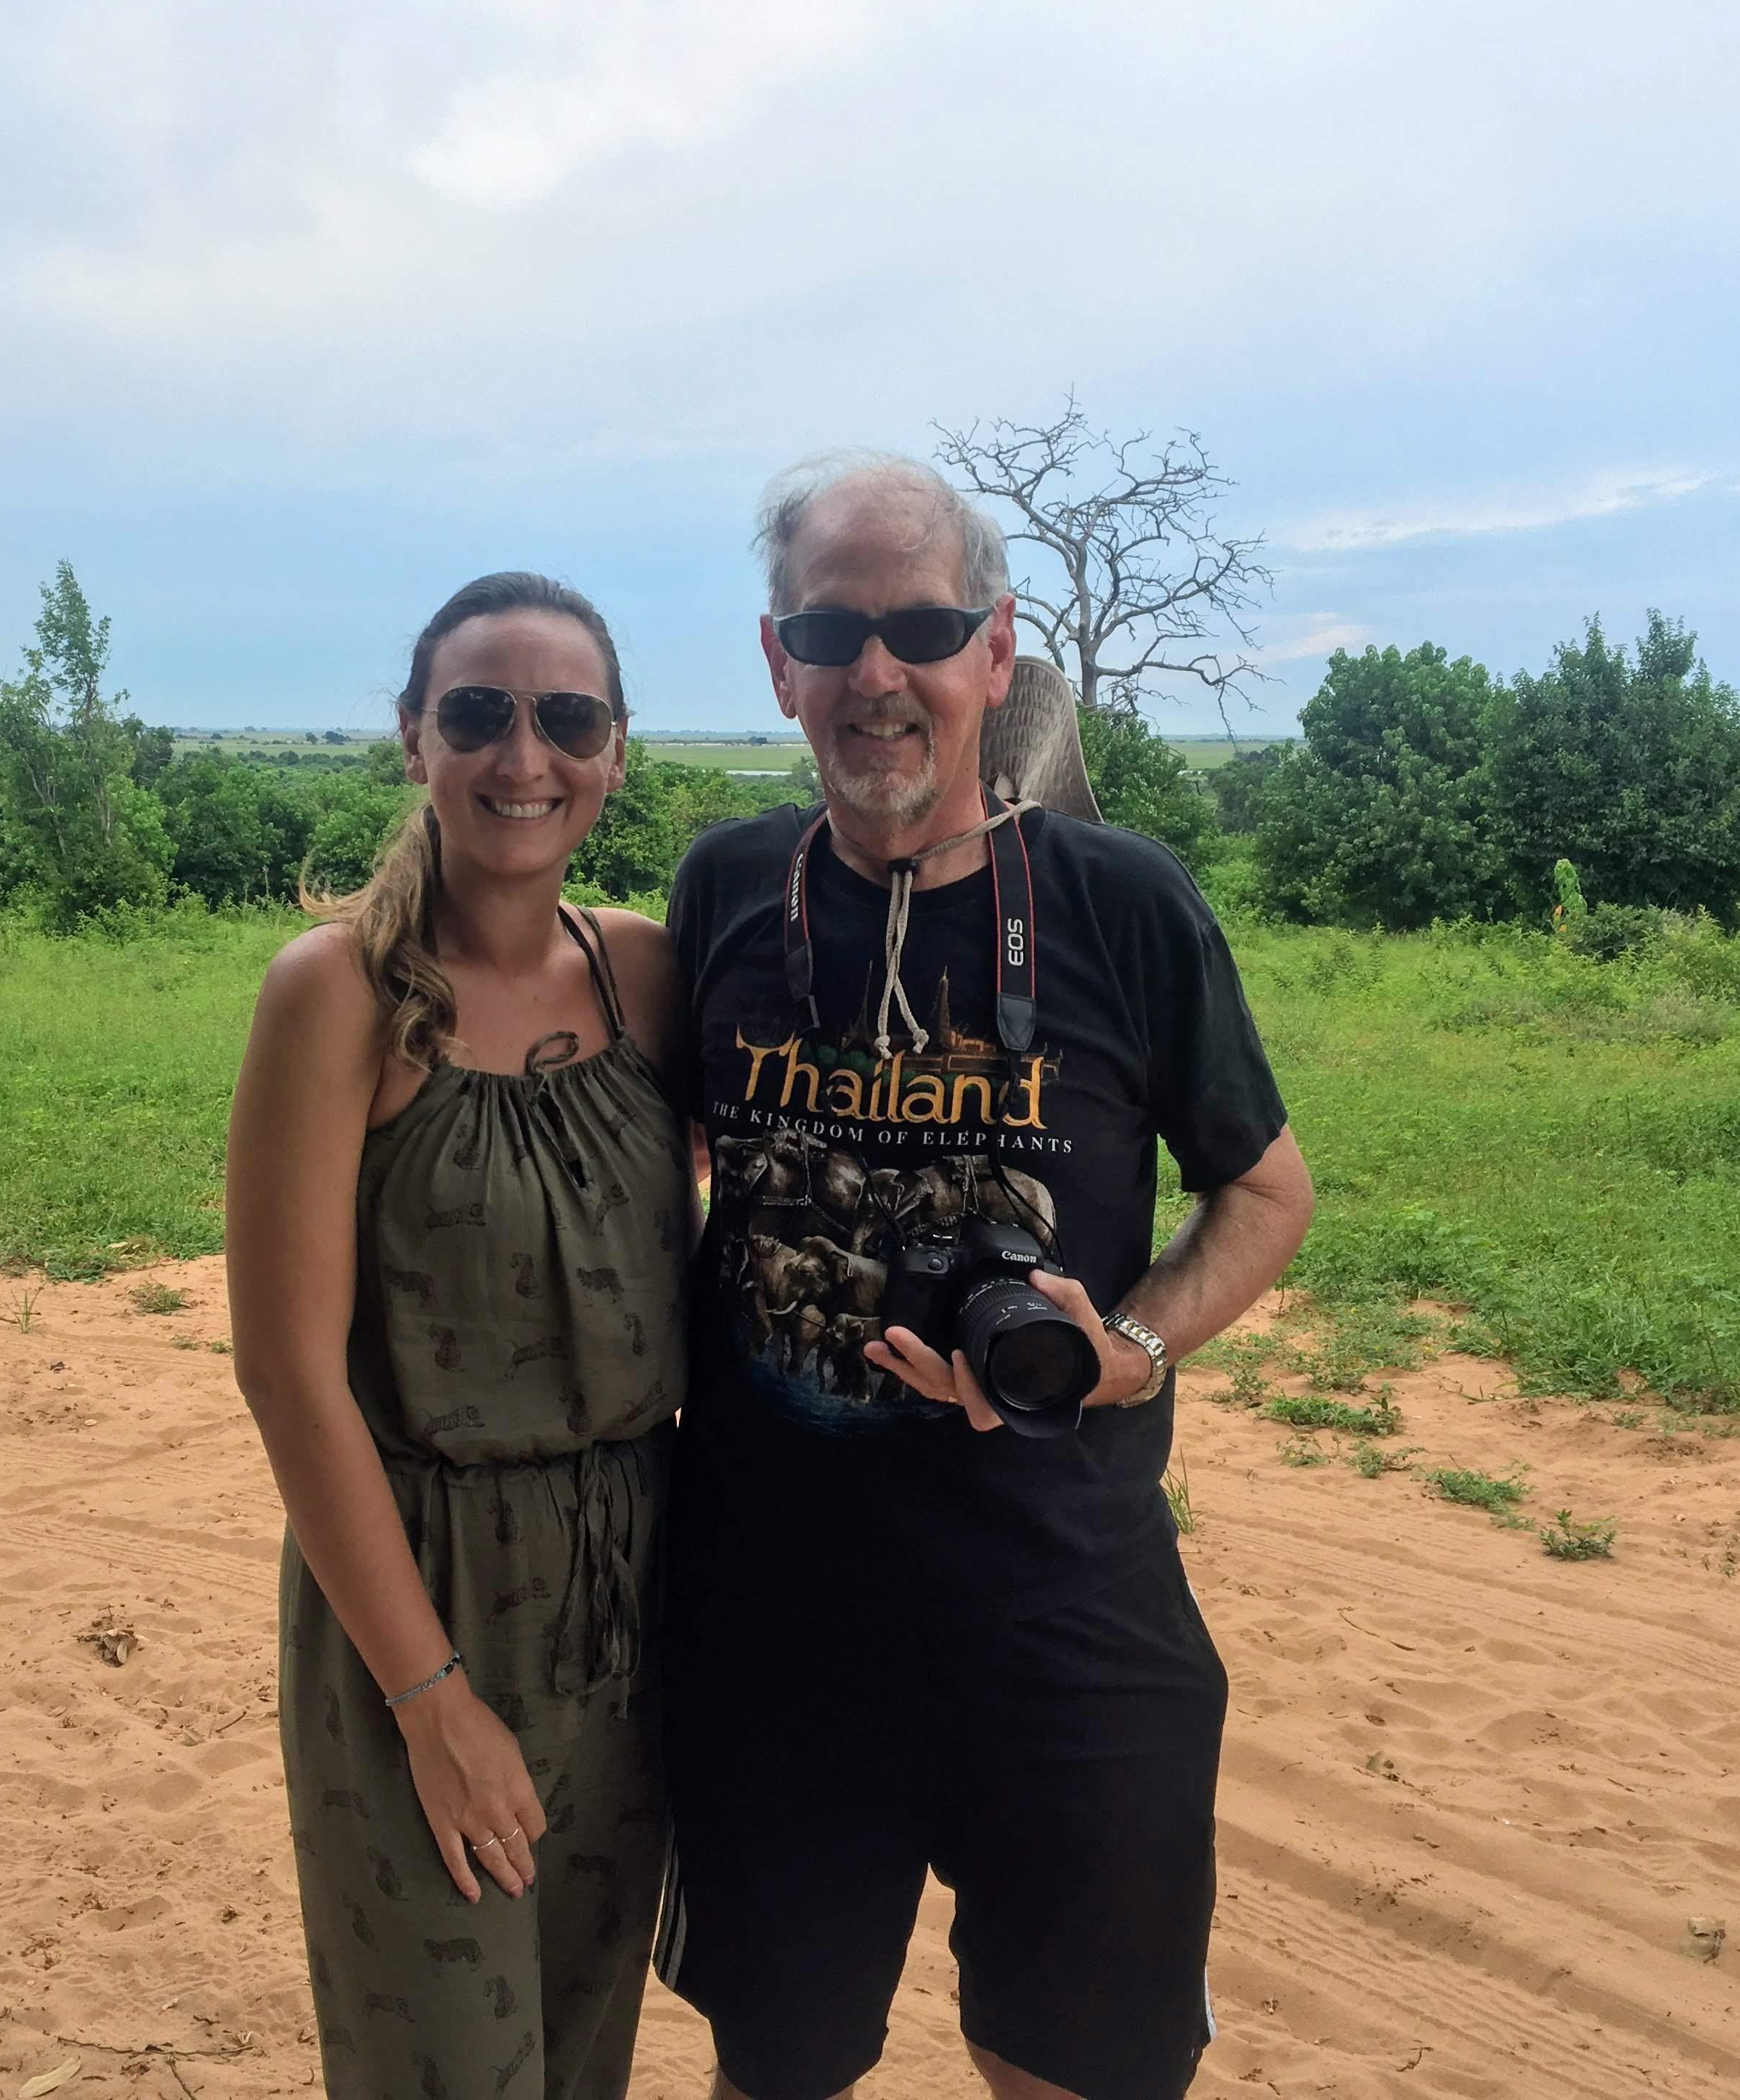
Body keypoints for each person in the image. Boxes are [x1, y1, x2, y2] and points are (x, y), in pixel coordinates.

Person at [655, 456, 1317, 2100]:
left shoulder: (1122, 903)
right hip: (776, 1624)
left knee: (1080, 2070)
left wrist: (1133, 1349)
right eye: (831, 628)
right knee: (780, 2067)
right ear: (776, 659)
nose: (876, 673)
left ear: (995, 650)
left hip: (1066, 1613)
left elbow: (1265, 1190)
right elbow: (663, 1165)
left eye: (922, 627)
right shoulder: (728, 889)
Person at [228, 572, 690, 2100]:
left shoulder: (644, 980)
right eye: (479, 714)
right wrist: (429, 1704)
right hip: (420, 1587)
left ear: (617, 751)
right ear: (413, 736)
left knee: (579, 2043)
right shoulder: (336, 998)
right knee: (446, 2060)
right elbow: (290, 1372)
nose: (523, 757)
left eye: (568, 719)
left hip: (634, 1584)